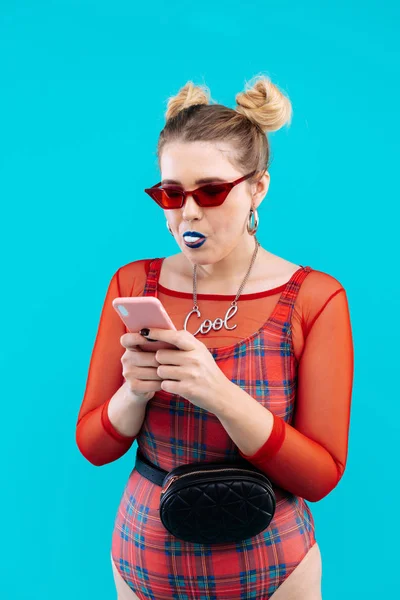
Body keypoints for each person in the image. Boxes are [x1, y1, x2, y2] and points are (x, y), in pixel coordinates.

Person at [76, 75, 354, 600]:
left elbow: (320, 476)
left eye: (211, 190)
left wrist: (218, 393)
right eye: (171, 193)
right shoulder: (133, 284)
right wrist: (132, 393)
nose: (189, 212)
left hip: (273, 561)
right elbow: (93, 446)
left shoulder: (315, 299)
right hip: (146, 556)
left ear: (258, 187)